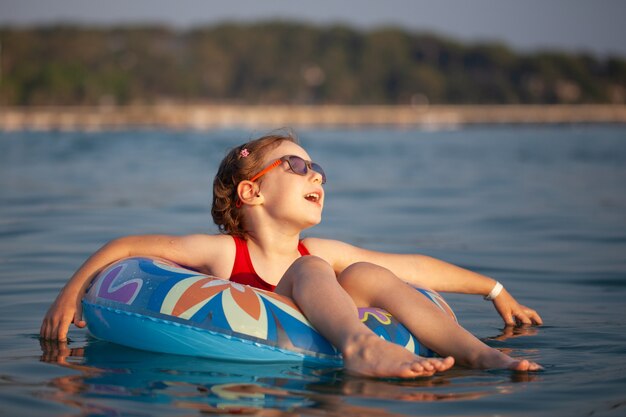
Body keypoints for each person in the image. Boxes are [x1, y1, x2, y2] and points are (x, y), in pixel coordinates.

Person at [41, 132, 543, 378]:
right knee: (312, 268)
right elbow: (126, 246)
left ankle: (479, 354)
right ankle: (361, 348)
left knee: (366, 270)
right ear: (251, 193)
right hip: (259, 389)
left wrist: (495, 290)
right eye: (297, 165)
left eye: (318, 167)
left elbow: (412, 268)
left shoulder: (320, 251)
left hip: (308, 360)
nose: (316, 175)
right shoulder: (222, 253)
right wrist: (71, 293)